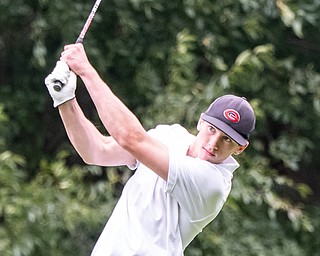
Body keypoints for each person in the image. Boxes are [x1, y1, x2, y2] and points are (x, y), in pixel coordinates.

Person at [45, 43, 256, 256]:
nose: (214, 143)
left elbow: (130, 137)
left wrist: (86, 71)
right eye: (212, 129)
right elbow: (96, 151)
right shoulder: (170, 135)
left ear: (240, 148)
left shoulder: (213, 182)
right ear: (201, 122)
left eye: (227, 139)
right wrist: (65, 100)